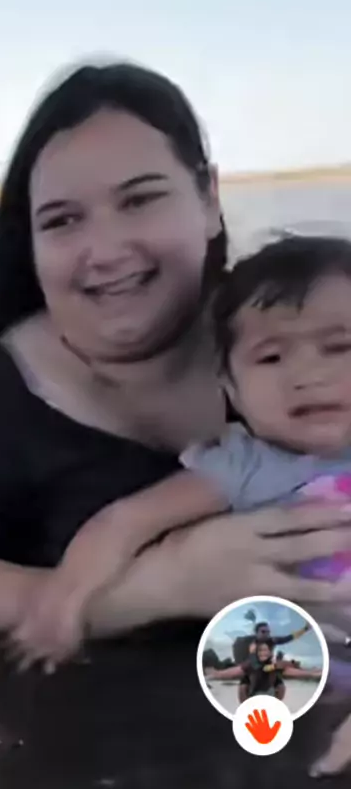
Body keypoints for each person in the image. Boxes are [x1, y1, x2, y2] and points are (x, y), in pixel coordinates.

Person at [0, 62, 351, 779]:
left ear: (209, 199)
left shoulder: (287, 334)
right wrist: (156, 588)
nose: (105, 250)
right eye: (62, 220)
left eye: (141, 199)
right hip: (97, 735)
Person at [20, 236, 351, 670]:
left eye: (339, 347)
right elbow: (124, 522)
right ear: (231, 388)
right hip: (294, 672)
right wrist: (64, 604)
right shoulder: (242, 466)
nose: (308, 374)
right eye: (271, 357)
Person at [205, 639, 322, 703]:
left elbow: (290, 671)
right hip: (252, 694)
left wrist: (311, 673)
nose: (263, 653)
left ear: (270, 653)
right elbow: (234, 671)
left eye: (266, 651)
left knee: (281, 683)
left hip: (269, 693)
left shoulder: (274, 665)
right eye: (260, 651)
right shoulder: (251, 664)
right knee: (243, 683)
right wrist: (216, 674)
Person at [232, 619, 311, 666]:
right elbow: (237, 643)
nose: (266, 634)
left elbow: (288, 638)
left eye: (268, 632)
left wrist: (305, 629)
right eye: (263, 632)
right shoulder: (248, 640)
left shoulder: (272, 640)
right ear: (256, 632)